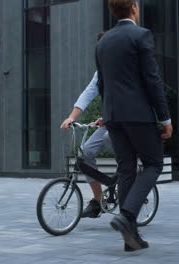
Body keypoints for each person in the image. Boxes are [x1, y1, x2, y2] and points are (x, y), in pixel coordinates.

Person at [96, 0, 173, 252]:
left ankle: (131, 238)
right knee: (154, 163)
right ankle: (127, 215)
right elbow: (152, 79)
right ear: (133, 8)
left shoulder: (103, 41)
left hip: (113, 115)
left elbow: (102, 85)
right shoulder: (141, 35)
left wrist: (107, 114)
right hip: (138, 114)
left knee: (126, 168)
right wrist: (165, 118)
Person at [61, 33, 118, 219]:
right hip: (109, 122)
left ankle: (128, 183)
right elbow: (88, 93)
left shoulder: (124, 68)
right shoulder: (100, 73)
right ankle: (98, 200)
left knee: (113, 140)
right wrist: (71, 117)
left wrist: (110, 116)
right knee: (85, 153)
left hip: (125, 123)